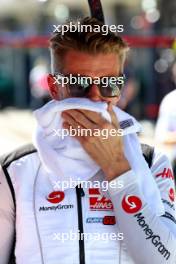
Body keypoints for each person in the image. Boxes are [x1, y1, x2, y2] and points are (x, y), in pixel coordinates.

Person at [0, 17, 176, 264]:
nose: (94, 98)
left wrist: (118, 169)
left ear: (120, 87)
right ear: (54, 88)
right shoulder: (14, 170)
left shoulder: (152, 162)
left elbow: (165, 259)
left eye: (108, 85)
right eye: (79, 84)